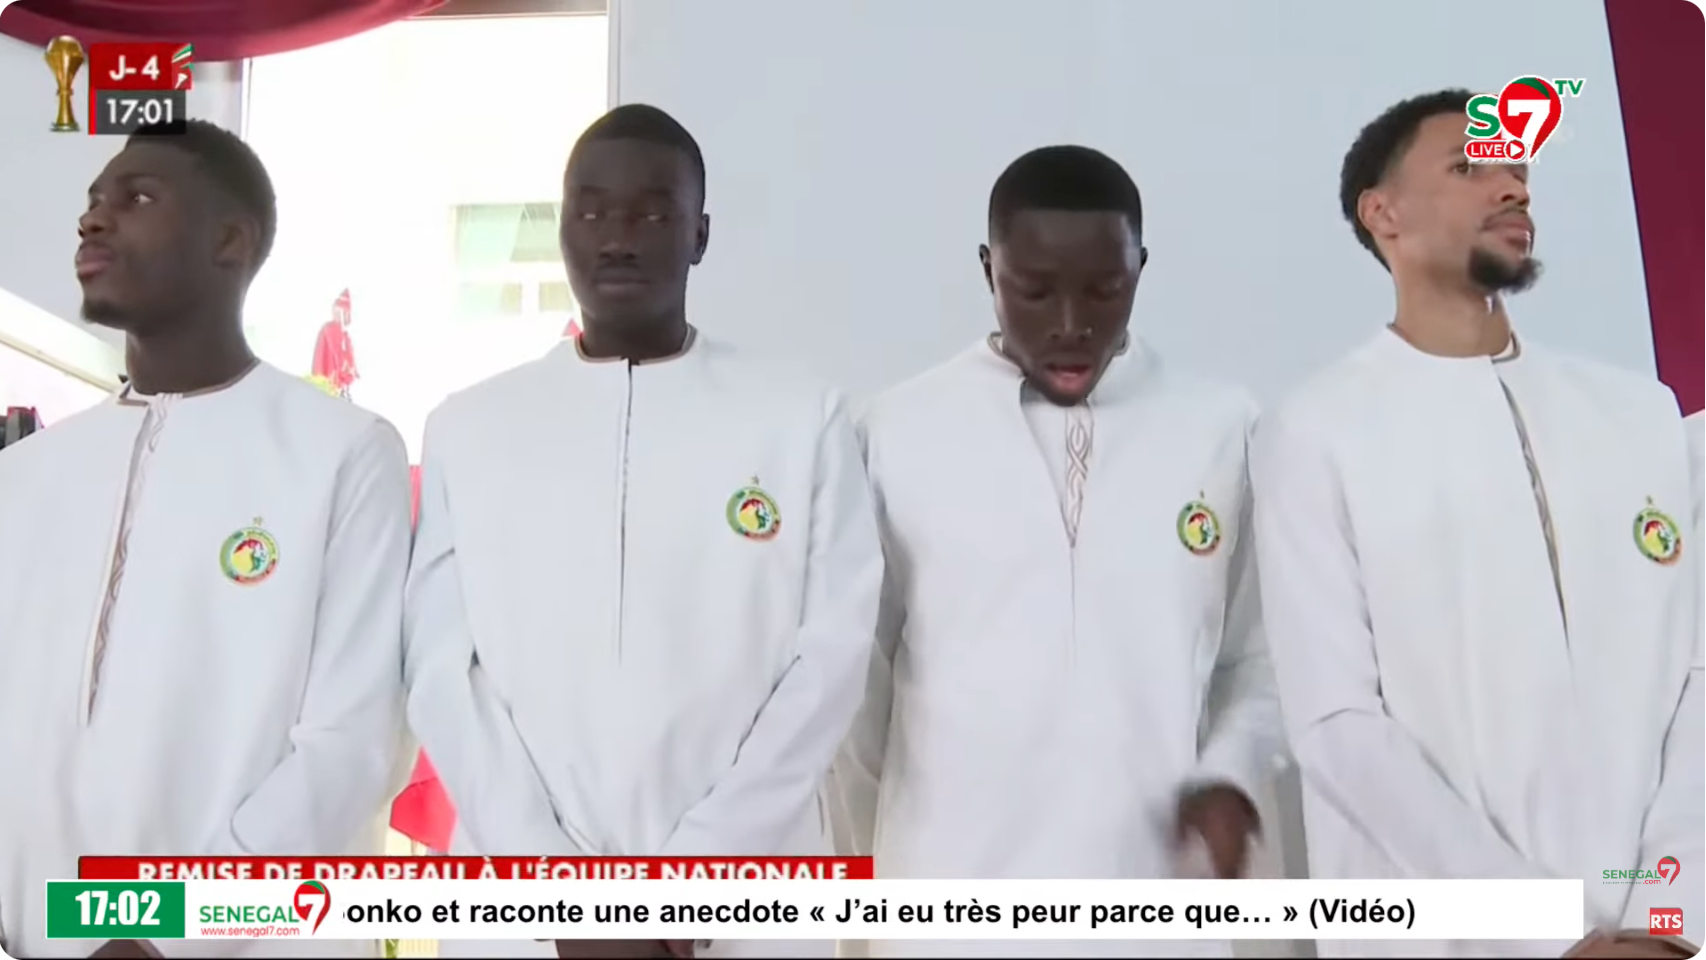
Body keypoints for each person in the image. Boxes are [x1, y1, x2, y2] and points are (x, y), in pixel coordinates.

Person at [403, 104, 883, 960]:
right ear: (561, 230)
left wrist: (687, 890)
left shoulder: (799, 418)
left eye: (653, 215)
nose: (618, 238)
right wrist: (560, 897)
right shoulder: (470, 428)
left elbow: (830, 663)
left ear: (700, 235)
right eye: (591, 212)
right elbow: (441, 672)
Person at [1251, 89, 1701, 959]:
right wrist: (1549, 933)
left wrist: (1668, 919)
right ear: (1382, 214)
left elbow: (1697, 683)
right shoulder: (1316, 430)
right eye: (1471, 167)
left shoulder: (1641, 416)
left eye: (1519, 170)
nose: (1513, 188)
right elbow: (1338, 724)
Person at [830, 146, 1284, 959]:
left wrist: (1229, 775)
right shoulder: (893, 431)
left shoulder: (1221, 428)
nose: (1070, 323)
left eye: (1105, 289)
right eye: (1034, 291)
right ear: (988, 269)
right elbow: (853, 695)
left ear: (1140, 268)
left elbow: (1259, 658)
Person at [0, 121, 413, 959]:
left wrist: (162, 933)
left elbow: (355, 745)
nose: (93, 219)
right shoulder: (27, 473)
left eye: (137, 198)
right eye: (93, 201)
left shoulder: (340, 452)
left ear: (231, 241)